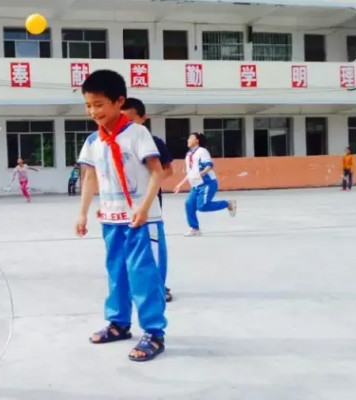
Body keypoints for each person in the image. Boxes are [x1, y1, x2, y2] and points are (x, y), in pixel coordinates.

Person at [76, 69, 167, 362]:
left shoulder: (137, 134)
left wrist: (143, 208)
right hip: (111, 219)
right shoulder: (93, 141)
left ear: (119, 101)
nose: (93, 111)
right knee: (116, 273)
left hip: (142, 220)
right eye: (88, 105)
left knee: (144, 276)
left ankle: (154, 332)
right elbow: (90, 177)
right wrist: (82, 214)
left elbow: (157, 172)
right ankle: (118, 323)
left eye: (99, 104)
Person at [121, 97, 174, 303]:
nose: (126, 125)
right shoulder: (116, 143)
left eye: (131, 120)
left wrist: (150, 182)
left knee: (153, 246)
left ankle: (160, 286)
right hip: (122, 207)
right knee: (126, 250)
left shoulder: (154, 142)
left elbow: (168, 170)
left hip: (149, 205)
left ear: (143, 118)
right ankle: (133, 287)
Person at [174, 132, 237, 237]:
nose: (188, 140)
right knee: (189, 204)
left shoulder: (202, 151)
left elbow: (209, 165)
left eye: (190, 138)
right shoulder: (189, 155)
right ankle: (195, 228)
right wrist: (180, 184)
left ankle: (228, 203)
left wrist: (202, 173)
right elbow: (190, 172)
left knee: (202, 206)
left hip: (207, 183)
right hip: (195, 185)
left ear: (197, 140)